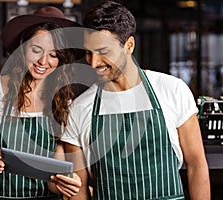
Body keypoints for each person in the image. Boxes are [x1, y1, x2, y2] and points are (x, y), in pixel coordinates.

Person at [61, 1, 210, 199]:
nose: (94, 62)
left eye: (103, 52)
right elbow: (78, 190)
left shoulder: (171, 90)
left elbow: (197, 165)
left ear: (129, 45)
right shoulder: (80, 107)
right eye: (89, 52)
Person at [0, 6, 84, 199]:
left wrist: (65, 184)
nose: (44, 61)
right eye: (36, 50)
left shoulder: (63, 104)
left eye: (53, 55)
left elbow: (52, 182)